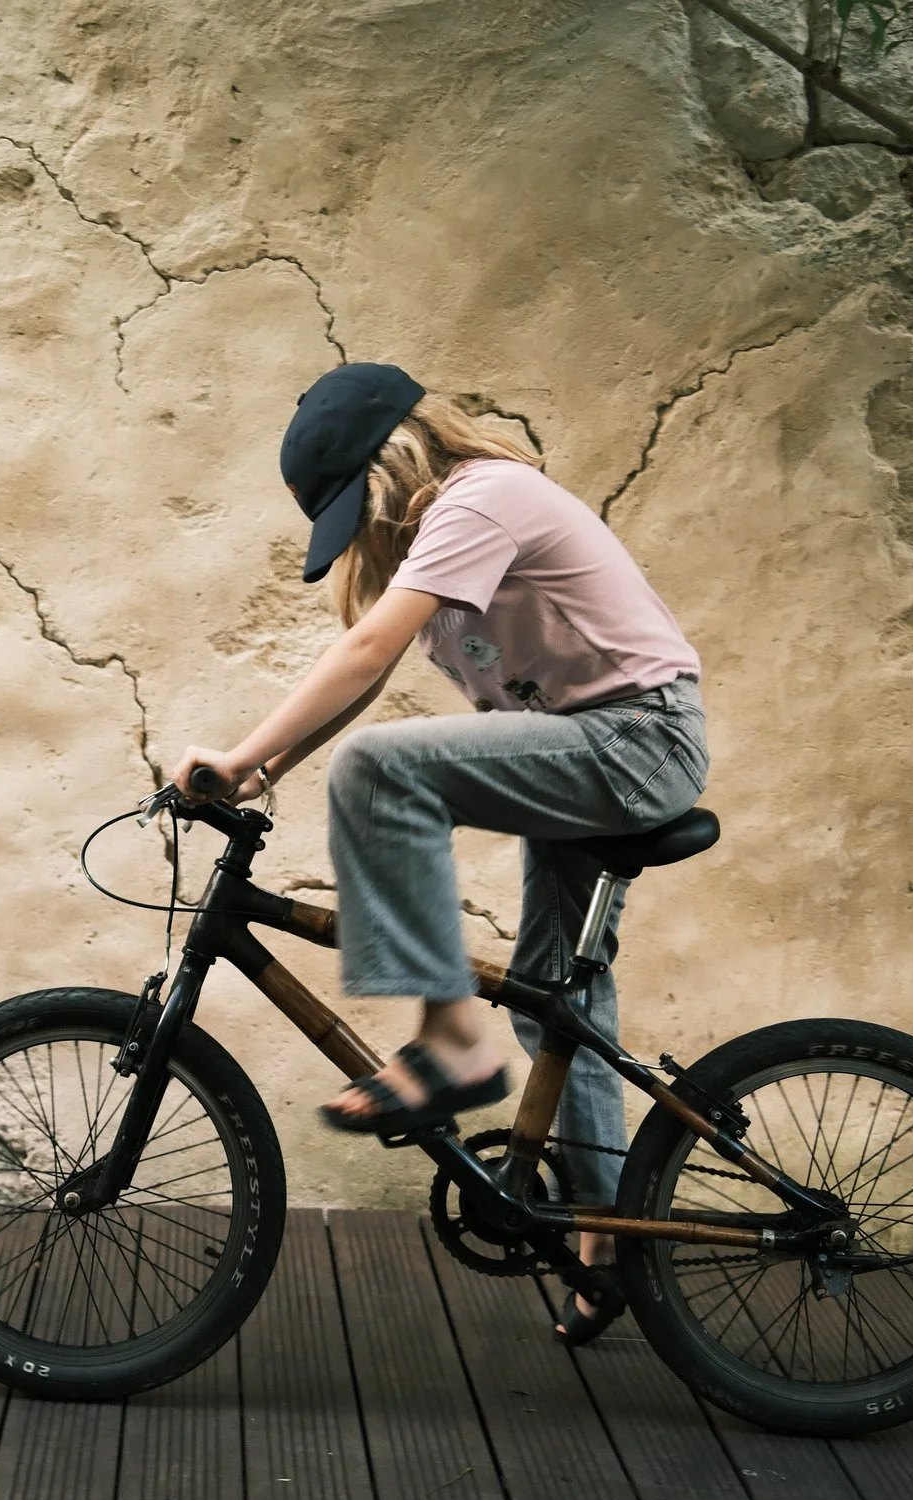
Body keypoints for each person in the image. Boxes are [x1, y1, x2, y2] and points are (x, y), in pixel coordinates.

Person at [167, 361, 707, 1346]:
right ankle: (601, 1232)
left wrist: (239, 750)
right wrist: (265, 768)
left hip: (637, 739)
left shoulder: (483, 496)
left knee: (379, 770)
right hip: (590, 751)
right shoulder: (442, 550)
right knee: (561, 999)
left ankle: (454, 1039)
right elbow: (369, 680)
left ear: (389, 463)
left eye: (350, 511)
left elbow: (366, 652)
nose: (358, 541)